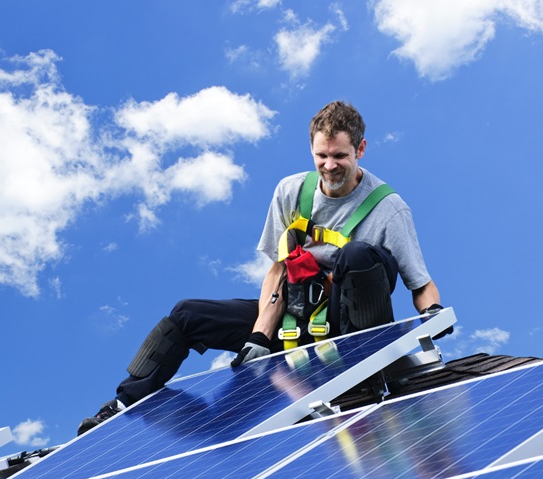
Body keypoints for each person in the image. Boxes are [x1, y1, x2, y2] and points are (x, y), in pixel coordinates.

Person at [78, 100, 448, 436]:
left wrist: (432, 315)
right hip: (293, 318)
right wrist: (259, 336)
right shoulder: (290, 192)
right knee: (186, 315)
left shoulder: (388, 208)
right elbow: (278, 268)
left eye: (340, 156)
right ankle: (123, 405)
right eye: (321, 156)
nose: (329, 165)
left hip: (348, 327)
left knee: (358, 255)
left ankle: (362, 373)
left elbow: (421, 284)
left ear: (360, 149)